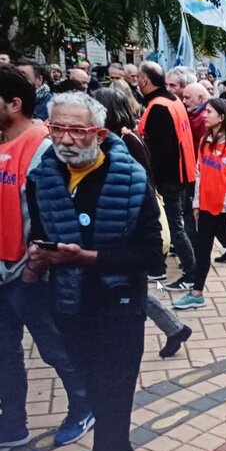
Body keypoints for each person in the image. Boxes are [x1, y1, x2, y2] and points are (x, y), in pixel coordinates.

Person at [23, 91, 162, 451]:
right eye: (56, 128)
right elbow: (38, 229)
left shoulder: (132, 179)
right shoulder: (42, 175)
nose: (65, 140)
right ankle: (120, 449)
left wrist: (86, 258)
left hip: (119, 304)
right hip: (66, 303)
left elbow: (153, 258)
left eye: (77, 130)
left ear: (99, 134)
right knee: (92, 383)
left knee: (112, 391)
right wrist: (37, 259)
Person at [0, 66, 93, 448]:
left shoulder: (41, 145)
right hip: (3, 270)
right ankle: (14, 424)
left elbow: (51, 215)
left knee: (54, 346)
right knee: (5, 351)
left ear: (14, 104)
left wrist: (33, 266)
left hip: (29, 273)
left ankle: (83, 405)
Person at [91, 87, 193, 358]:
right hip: (122, 227)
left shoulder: (126, 142)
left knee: (126, 285)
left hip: (129, 228)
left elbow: (140, 185)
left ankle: (174, 328)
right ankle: (174, 328)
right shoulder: (120, 139)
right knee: (126, 286)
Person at [172, 99, 226, 310]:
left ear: (221, 117)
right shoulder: (205, 141)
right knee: (203, 250)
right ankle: (197, 293)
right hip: (205, 208)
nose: (204, 115)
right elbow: (199, 174)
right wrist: (196, 202)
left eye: (209, 112)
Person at [136, 61, 197, 291]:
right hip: (181, 172)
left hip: (170, 177)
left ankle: (192, 272)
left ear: (144, 81)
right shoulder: (173, 100)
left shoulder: (159, 106)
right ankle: (192, 270)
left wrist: (157, 183)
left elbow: (162, 150)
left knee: (175, 226)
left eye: (138, 80)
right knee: (178, 224)